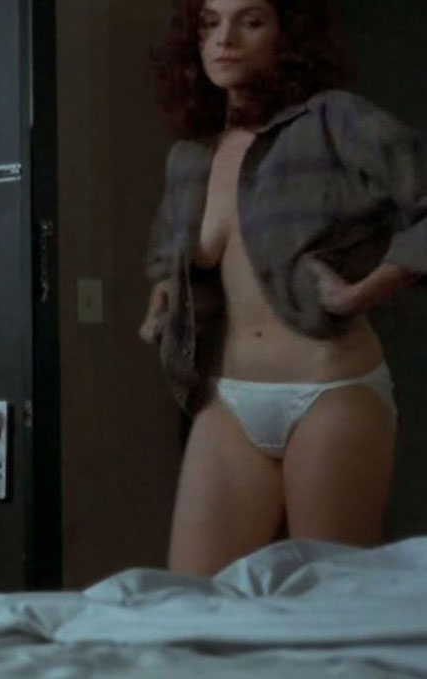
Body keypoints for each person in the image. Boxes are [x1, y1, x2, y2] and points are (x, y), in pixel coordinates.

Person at [140, 0, 426, 576]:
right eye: (210, 23)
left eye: (250, 21)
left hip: (329, 393)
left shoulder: (335, 121)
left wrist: (366, 291)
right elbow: (171, 256)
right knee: (193, 602)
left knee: (327, 602)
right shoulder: (191, 156)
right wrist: (162, 301)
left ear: (286, 37)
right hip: (227, 401)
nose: (225, 39)